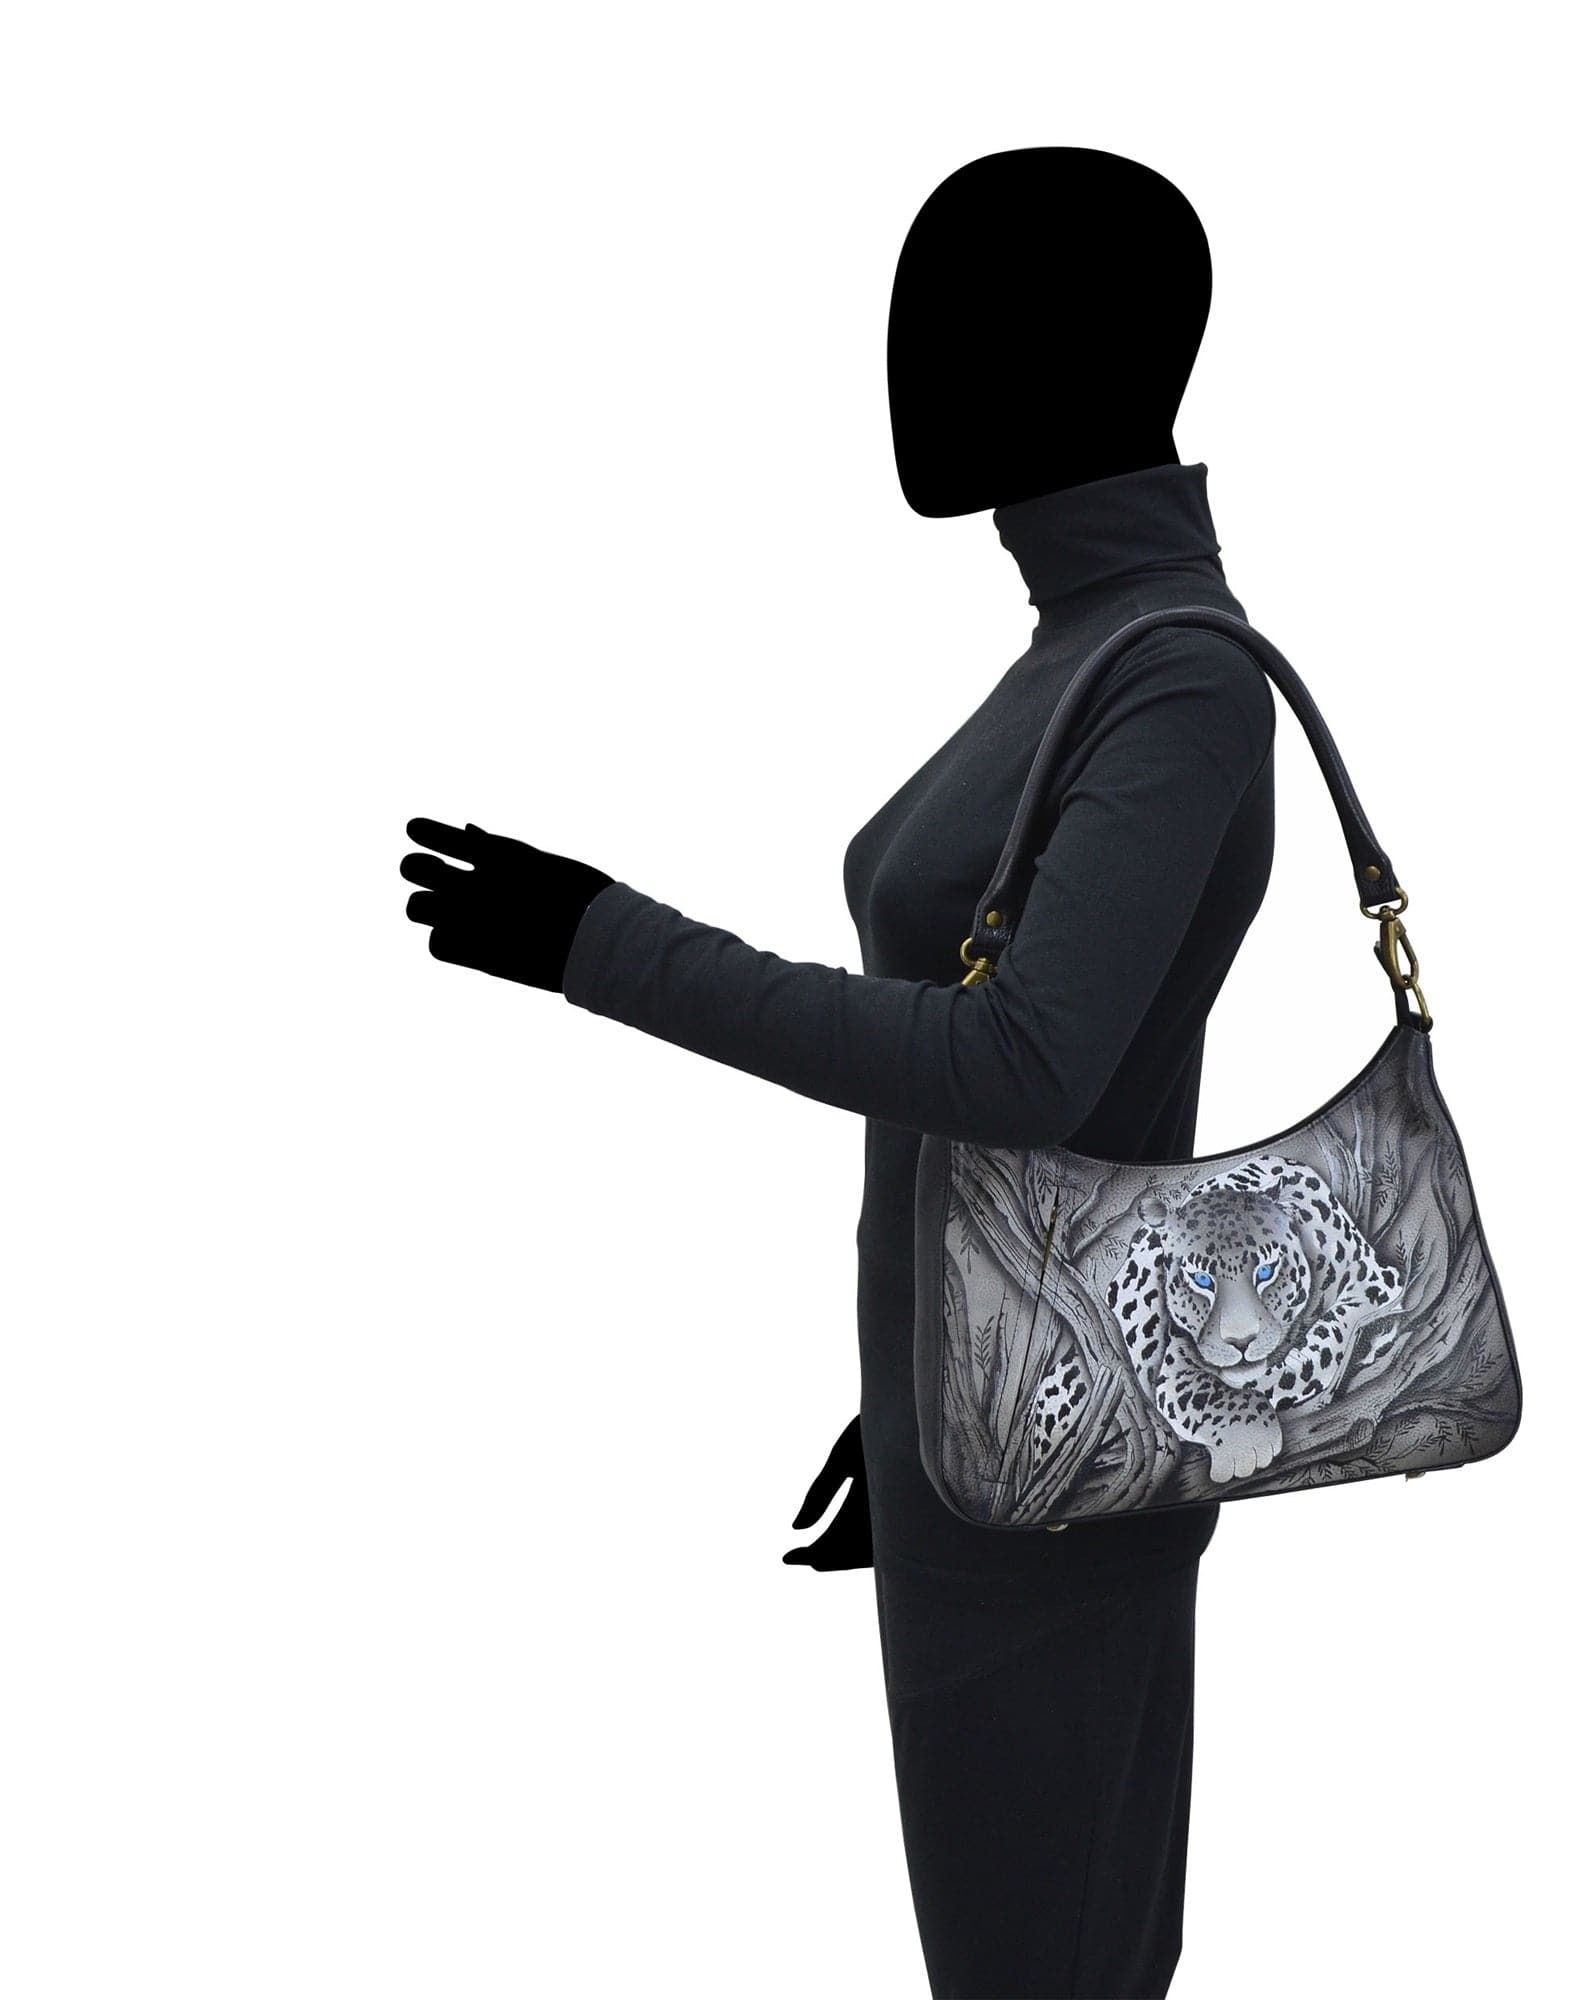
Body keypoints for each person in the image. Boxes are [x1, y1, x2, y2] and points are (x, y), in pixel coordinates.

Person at [401, 146, 1279, 2000]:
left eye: (961, 316)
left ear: (1093, 354)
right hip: (989, 1430)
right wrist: (917, 1388)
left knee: (1050, 1960)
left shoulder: (1175, 675)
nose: (905, 360)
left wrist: (599, 943)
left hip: (1061, 1467)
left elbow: (1024, 1066)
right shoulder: (1080, 649)